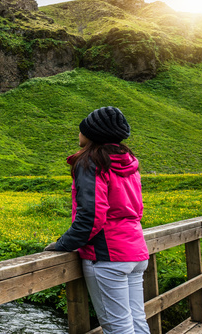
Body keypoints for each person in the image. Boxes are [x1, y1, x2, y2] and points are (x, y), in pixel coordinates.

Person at [44, 106, 150, 334]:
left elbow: (91, 218)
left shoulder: (91, 163)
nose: (78, 133)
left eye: (82, 128)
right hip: (135, 250)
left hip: (108, 256)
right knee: (137, 321)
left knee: (118, 327)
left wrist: (62, 244)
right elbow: (136, 209)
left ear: (93, 133)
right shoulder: (127, 161)